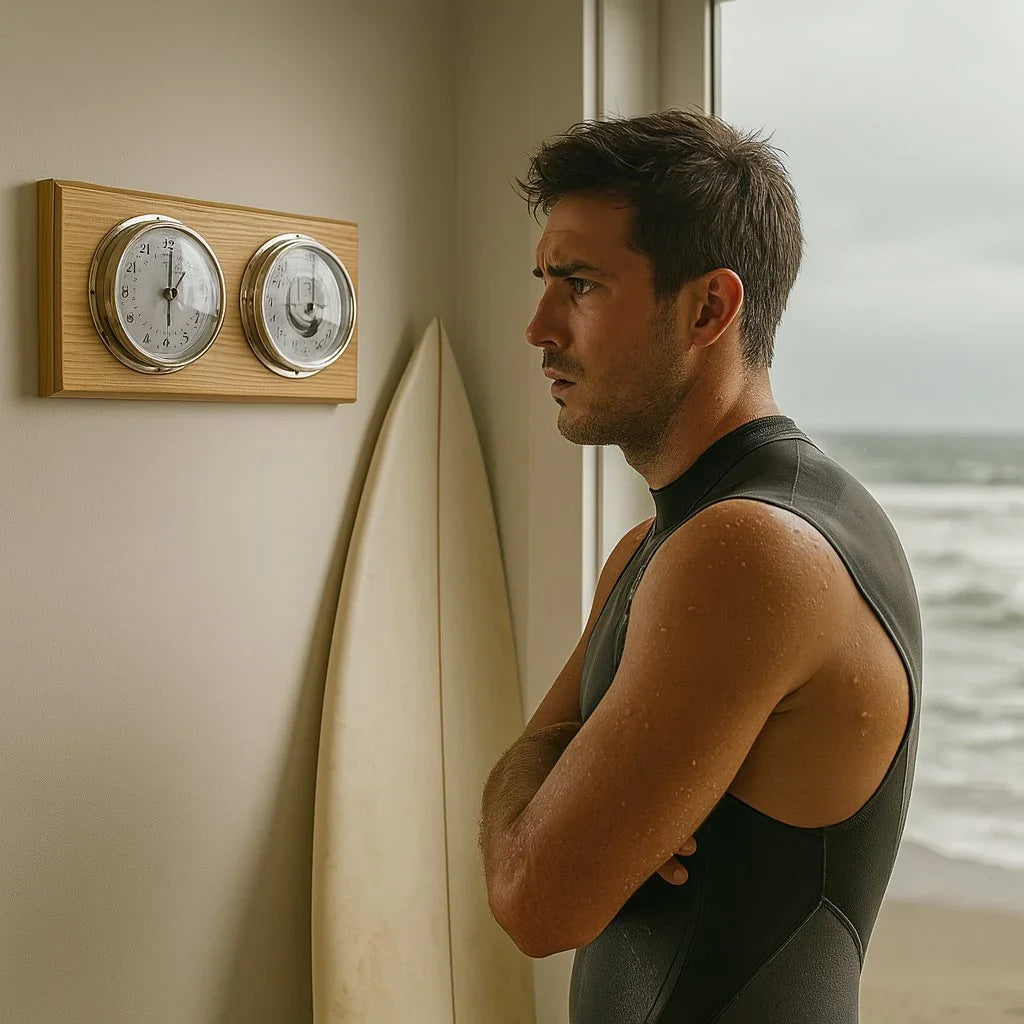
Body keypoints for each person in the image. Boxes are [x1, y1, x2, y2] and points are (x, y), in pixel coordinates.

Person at [477, 108, 922, 1023]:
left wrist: (552, 782)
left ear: (710, 308)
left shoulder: (749, 551)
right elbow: (533, 814)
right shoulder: (656, 550)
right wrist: (550, 784)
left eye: (582, 285)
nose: (537, 327)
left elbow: (532, 896)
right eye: (544, 282)